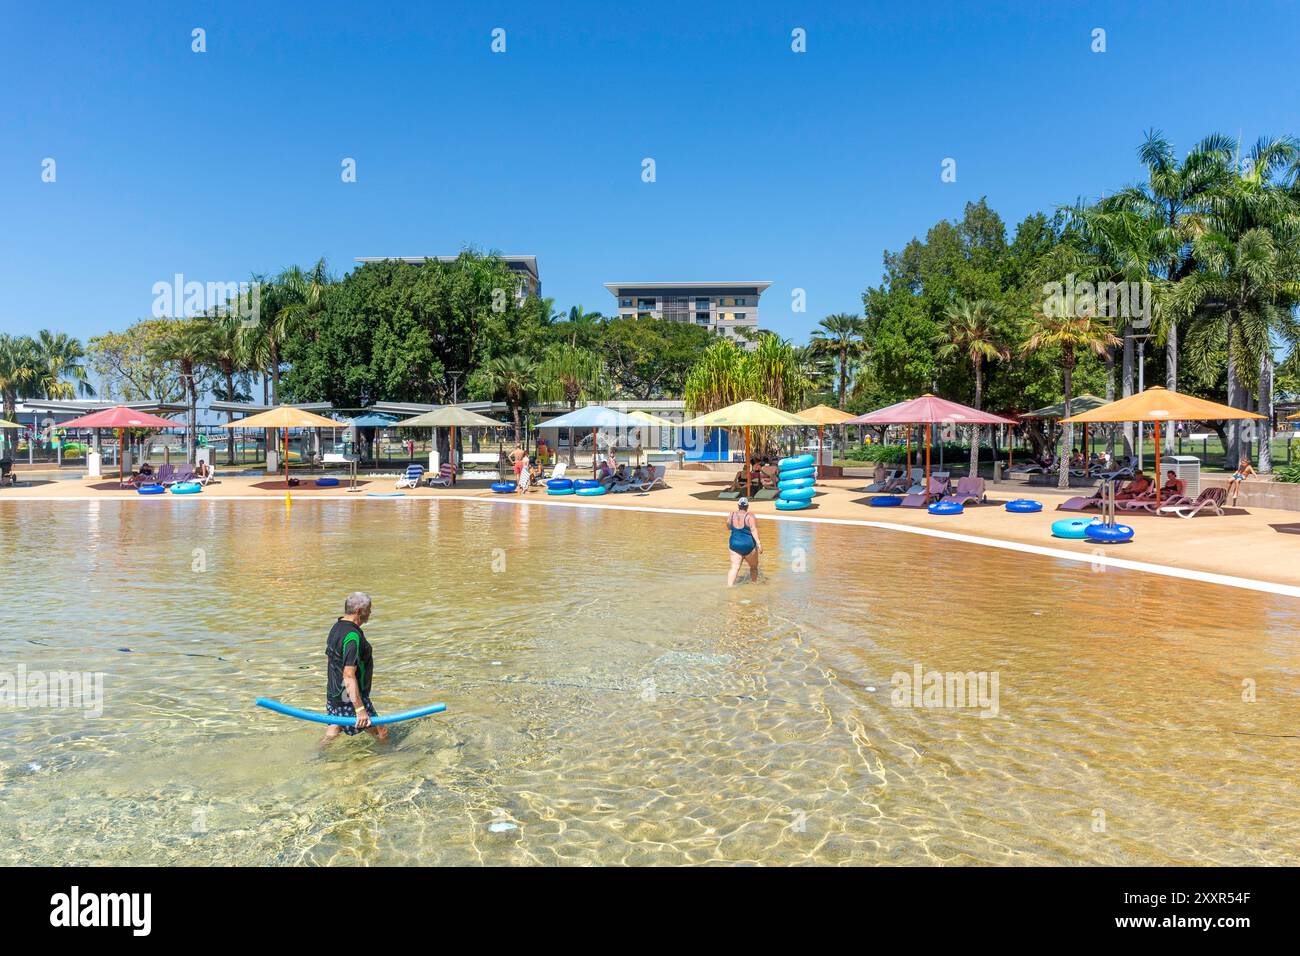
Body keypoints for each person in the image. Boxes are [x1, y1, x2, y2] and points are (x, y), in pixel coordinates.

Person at [324, 592, 387, 743]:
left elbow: (330, 661)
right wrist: (360, 709)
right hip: (350, 699)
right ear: (359, 611)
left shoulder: (336, 627)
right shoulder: (352, 637)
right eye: (369, 609)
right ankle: (390, 761)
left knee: (334, 728)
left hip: (335, 697)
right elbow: (348, 674)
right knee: (381, 732)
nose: (370, 613)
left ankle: (316, 756)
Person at [725, 497, 762, 587]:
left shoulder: (731, 514)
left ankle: (729, 587)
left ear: (738, 505)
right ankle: (754, 586)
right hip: (748, 546)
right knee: (753, 568)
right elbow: (753, 530)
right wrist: (759, 543)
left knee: (734, 568)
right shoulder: (750, 516)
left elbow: (728, 527)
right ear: (747, 506)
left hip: (735, 545)